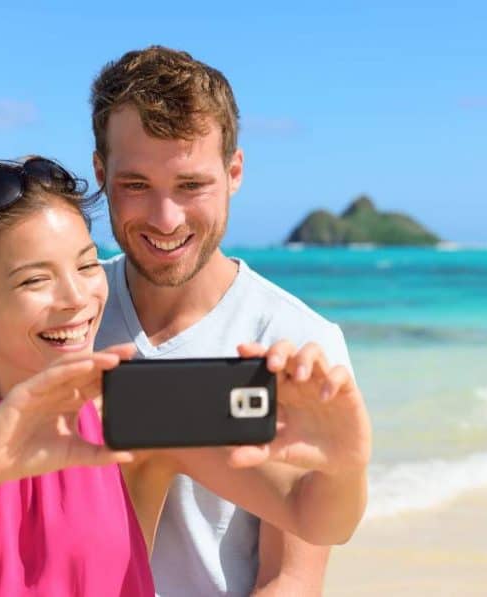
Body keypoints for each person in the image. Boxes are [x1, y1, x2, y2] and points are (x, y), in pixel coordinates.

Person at [0, 157, 371, 596]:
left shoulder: (135, 424)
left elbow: (317, 519)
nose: (77, 298)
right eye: (35, 279)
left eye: (86, 264)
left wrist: (344, 464)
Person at [90, 46, 365, 595]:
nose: (165, 220)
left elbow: (291, 578)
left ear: (233, 171)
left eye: (191, 186)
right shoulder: (69, 316)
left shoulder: (295, 342)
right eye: (136, 185)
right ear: (101, 173)